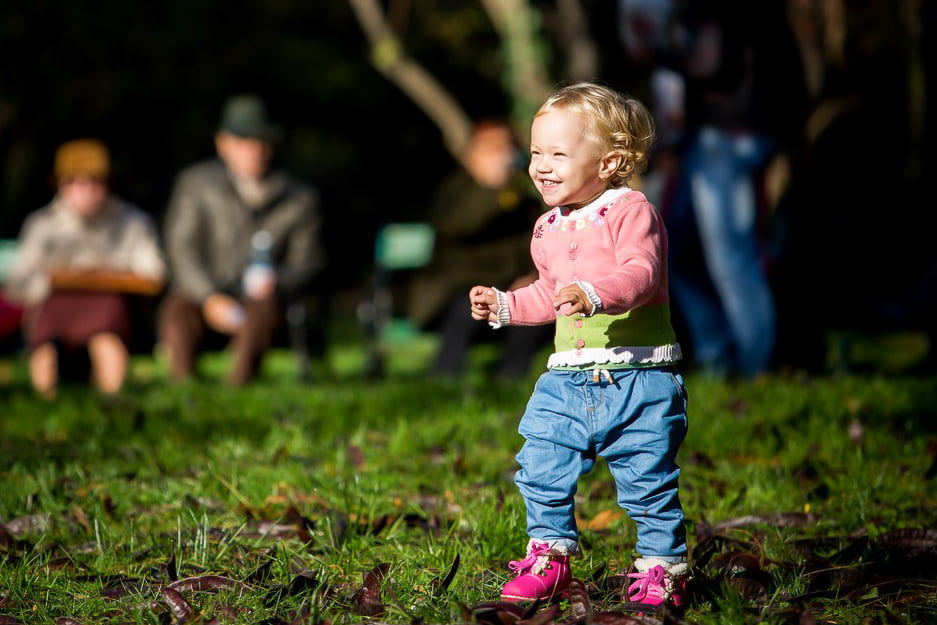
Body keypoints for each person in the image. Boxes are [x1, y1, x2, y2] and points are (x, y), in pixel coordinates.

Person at [469, 83, 689, 608]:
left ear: (610, 162)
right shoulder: (546, 227)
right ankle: (548, 556)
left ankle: (662, 567)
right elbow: (550, 294)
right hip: (565, 378)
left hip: (638, 379)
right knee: (541, 463)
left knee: (647, 480)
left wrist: (595, 293)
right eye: (535, 152)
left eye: (557, 154)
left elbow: (641, 272)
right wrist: (505, 306)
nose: (540, 165)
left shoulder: (631, 211)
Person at [158, 95, 324, 386]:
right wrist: (209, 296)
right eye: (245, 141)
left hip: (263, 300)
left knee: (263, 305)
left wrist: (278, 281)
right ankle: (182, 387)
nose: (255, 150)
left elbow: (309, 261)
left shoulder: (299, 197)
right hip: (204, 291)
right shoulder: (196, 184)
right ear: (223, 143)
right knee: (177, 308)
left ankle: (239, 385)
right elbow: (180, 248)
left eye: (262, 141)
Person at [3, 139, 166, 396]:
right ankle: (44, 402)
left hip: (109, 309)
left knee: (107, 338)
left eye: (94, 181)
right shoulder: (43, 225)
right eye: (75, 181)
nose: (85, 190)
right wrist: (51, 280)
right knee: (44, 344)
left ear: (107, 183)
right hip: (53, 307)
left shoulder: (131, 223)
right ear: (60, 184)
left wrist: (106, 274)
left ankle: (112, 399)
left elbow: (153, 273)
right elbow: (19, 283)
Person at [407, 120, 551, 380]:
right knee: (469, 306)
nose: (504, 156)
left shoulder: (521, 198)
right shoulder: (456, 191)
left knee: (539, 307)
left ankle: (508, 377)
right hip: (452, 294)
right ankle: (444, 377)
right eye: (493, 149)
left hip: (507, 290)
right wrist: (493, 191)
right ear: (472, 156)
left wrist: (532, 277)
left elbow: (540, 245)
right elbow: (460, 225)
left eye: (508, 148)